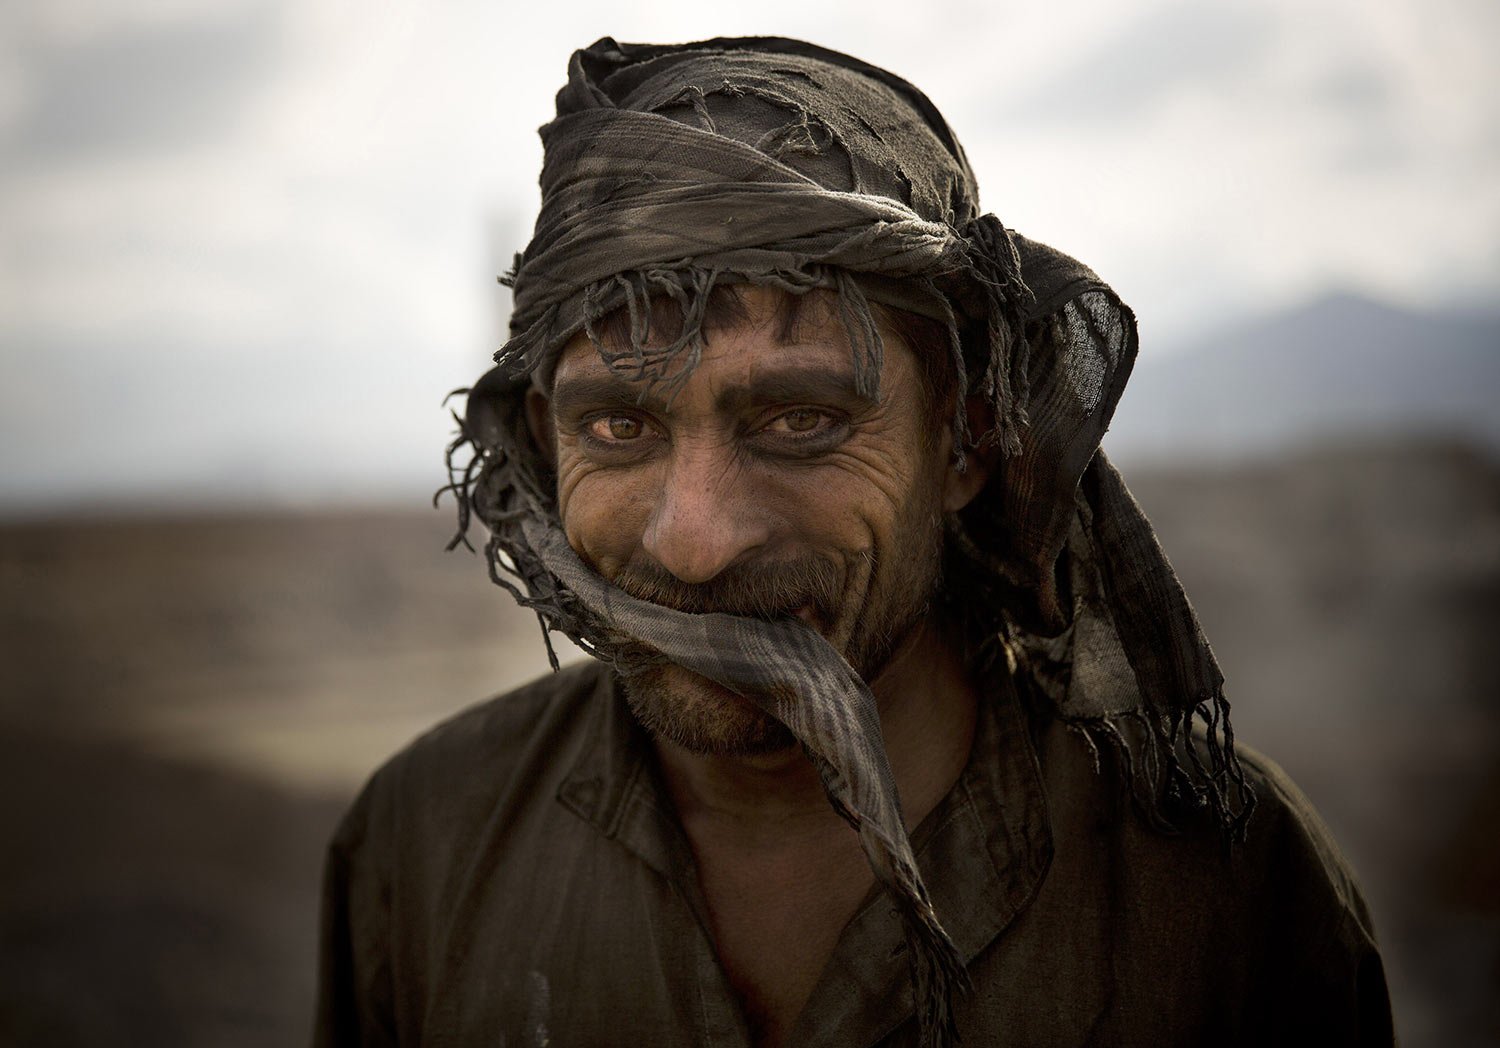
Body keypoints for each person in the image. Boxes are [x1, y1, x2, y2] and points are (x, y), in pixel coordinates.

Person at [314, 36, 1393, 1048]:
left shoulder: (1225, 893)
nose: (694, 540)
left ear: (969, 439)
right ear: (545, 448)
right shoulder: (425, 843)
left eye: (800, 420)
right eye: (619, 427)